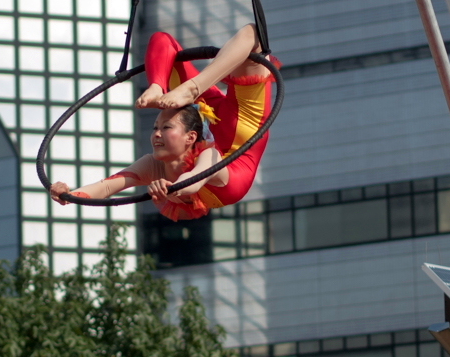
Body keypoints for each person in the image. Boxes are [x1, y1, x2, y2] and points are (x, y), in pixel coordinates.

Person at [48, 24, 278, 221]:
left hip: (212, 124)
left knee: (162, 40)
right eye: (157, 127)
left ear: (190, 137)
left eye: (164, 127)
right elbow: (191, 183)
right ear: (191, 138)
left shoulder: (163, 164)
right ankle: (184, 88)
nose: (156, 134)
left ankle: (164, 87)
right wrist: (68, 195)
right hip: (243, 130)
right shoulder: (209, 156)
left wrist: (69, 194)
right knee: (253, 35)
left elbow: (108, 186)